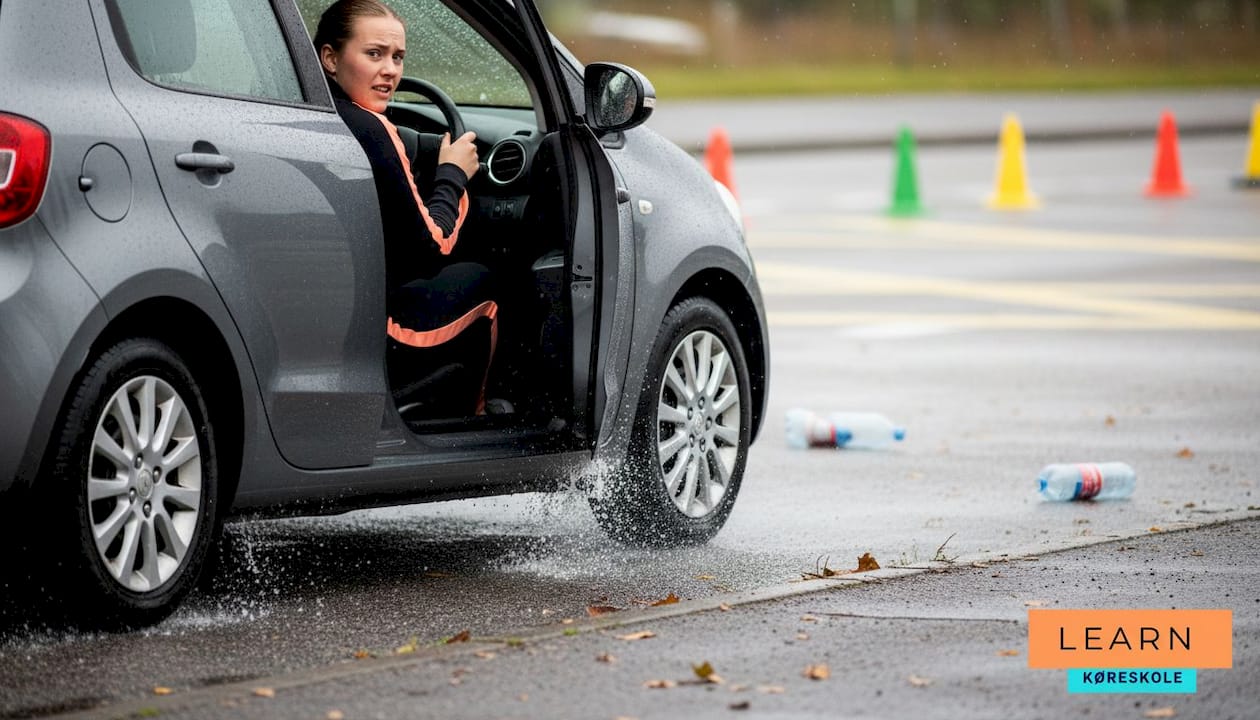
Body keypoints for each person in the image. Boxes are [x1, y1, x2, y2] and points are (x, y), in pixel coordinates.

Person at [314, 0, 499, 415]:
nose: (391, 71)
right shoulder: (372, 130)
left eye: (397, 57)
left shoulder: (320, 116)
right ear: (330, 57)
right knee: (486, 281)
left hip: (332, 323)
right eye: (374, 54)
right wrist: (453, 174)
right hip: (385, 329)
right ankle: (479, 418)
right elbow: (432, 247)